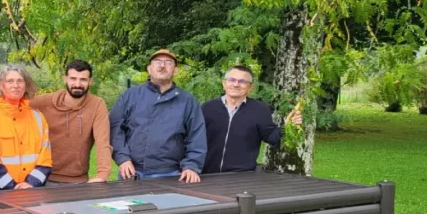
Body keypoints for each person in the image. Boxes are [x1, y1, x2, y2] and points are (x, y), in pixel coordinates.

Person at [109, 49, 206, 183]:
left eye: (168, 62)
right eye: (157, 61)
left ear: (175, 70)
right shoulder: (130, 96)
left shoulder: (187, 101)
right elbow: (115, 129)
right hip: (131, 172)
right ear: (149, 68)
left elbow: (197, 136)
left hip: (171, 174)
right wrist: (123, 159)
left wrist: (191, 166)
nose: (162, 65)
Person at [201, 65, 303, 174]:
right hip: (206, 173)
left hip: (242, 175)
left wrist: (287, 126)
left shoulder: (260, 110)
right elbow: (192, 138)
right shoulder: (206, 108)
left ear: (250, 87)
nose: (236, 84)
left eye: (242, 81)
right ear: (224, 83)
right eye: (231, 80)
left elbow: (271, 137)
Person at [31, 60, 112, 184]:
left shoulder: (97, 105)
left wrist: (102, 174)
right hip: (42, 177)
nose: (77, 84)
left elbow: (103, 142)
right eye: (73, 79)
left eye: (83, 80)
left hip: (77, 180)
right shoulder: (45, 102)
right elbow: (15, 105)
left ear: (90, 81)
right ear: (65, 79)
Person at [0, 65, 54, 190]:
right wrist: (12, 187)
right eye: (10, 81)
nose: (16, 85)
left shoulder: (37, 117)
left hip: (32, 190)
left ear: (26, 85)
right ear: (0, 85)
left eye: (20, 81)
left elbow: (45, 156)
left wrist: (31, 183)